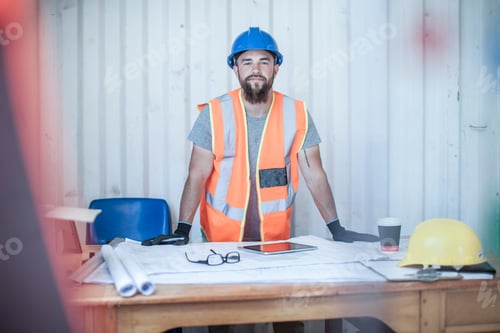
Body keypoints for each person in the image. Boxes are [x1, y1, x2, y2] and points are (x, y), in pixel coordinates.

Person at [145, 26, 378, 333]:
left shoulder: (297, 113)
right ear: (235, 68)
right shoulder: (214, 113)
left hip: (276, 242)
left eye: (264, 61)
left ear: (276, 67)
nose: (255, 68)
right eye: (247, 61)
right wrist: (182, 230)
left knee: (287, 317)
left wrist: (337, 228)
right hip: (222, 242)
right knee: (221, 320)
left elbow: (314, 173)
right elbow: (196, 174)